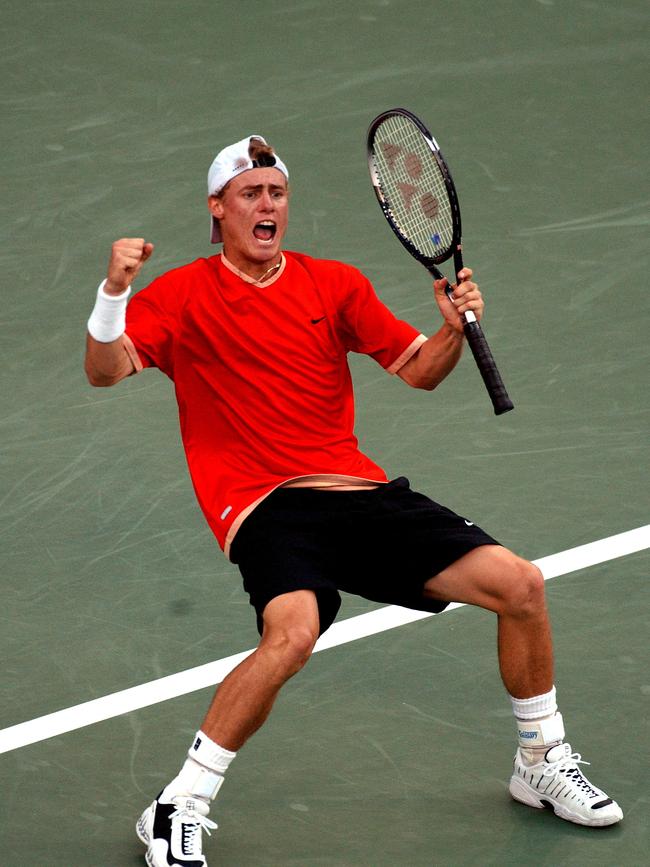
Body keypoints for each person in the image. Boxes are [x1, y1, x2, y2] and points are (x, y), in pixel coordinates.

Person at [84, 135, 622, 867]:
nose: (268, 204)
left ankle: (540, 758)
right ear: (218, 210)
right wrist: (112, 293)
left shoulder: (332, 283)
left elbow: (420, 372)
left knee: (521, 585)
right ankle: (178, 803)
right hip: (263, 504)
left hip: (361, 494)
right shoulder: (180, 295)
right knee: (292, 634)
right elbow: (105, 370)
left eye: (276, 192)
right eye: (251, 193)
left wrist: (450, 327)